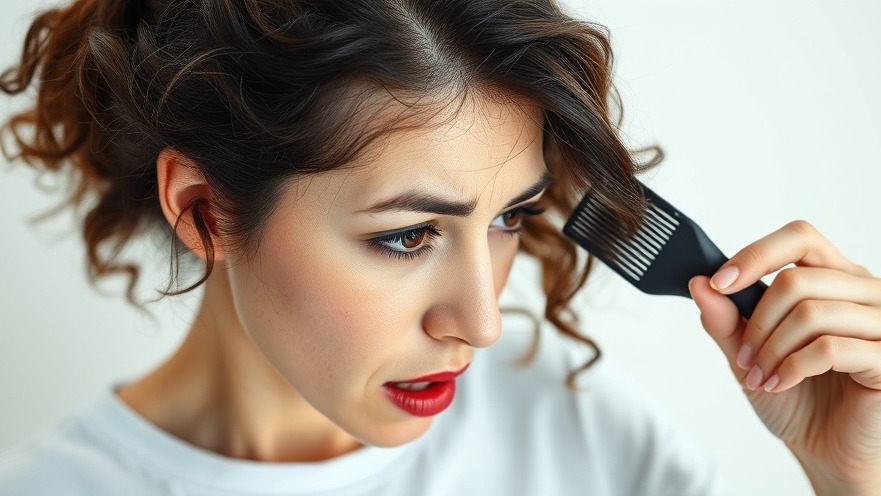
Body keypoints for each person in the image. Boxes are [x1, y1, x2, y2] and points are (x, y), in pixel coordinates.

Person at [0, 0, 879, 494]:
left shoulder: (563, 418)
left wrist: (845, 477)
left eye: (508, 219)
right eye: (408, 234)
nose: (484, 323)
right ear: (203, 213)